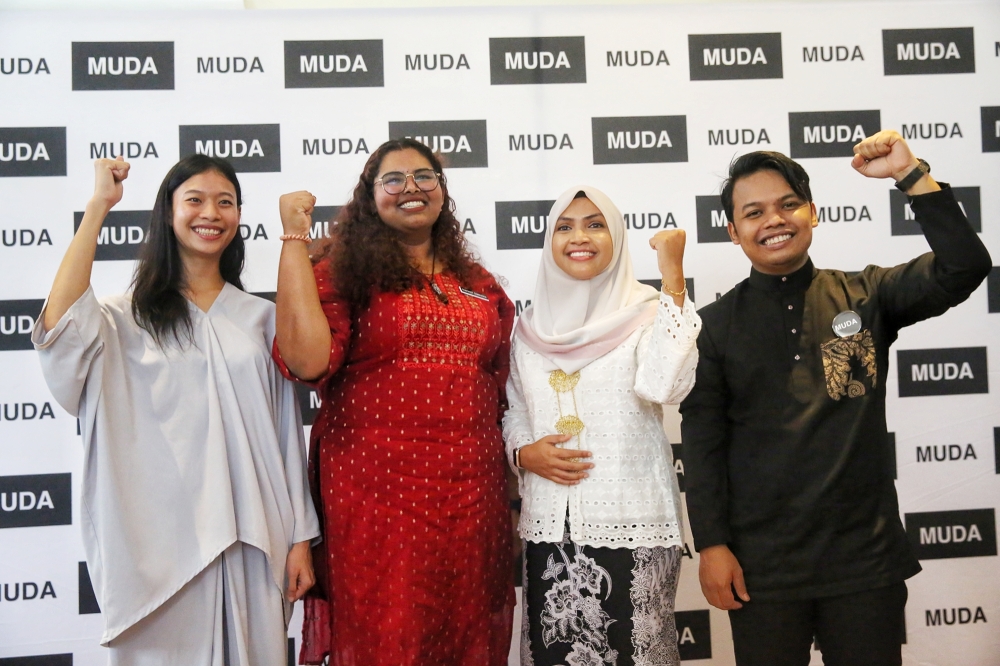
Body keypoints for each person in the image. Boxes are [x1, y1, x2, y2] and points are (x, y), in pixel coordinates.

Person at [680, 130, 992, 666]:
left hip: (864, 562)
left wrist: (910, 175)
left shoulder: (867, 296)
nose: (773, 220)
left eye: (788, 204)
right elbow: (702, 447)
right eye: (753, 213)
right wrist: (712, 545)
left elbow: (964, 266)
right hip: (763, 569)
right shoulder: (711, 327)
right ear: (733, 232)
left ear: (814, 212)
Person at [32, 155, 320, 664]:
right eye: (195, 199)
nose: (210, 213)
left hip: (255, 540)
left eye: (225, 202)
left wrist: (299, 536)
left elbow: (284, 434)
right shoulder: (122, 318)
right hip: (161, 551)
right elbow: (59, 330)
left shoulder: (262, 319)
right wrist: (98, 206)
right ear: (167, 213)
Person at [274, 138, 516, 666]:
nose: (411, 188)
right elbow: (305, 361)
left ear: (442, 192)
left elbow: (501, 387)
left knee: (468, 633)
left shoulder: (478, 283)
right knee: (389, 636)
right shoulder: (341, 271)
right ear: (369, 196)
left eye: (425, 177)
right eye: (393, 179)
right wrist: (294, 239)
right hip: (378, 504)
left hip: (473, 500)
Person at [504, 186, 700, 665]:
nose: (580, 237)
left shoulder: (649, 311)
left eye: (595, 224)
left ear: (616, 236)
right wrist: (523, 454)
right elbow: (516, 410)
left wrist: (673, 277)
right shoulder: (527, 327)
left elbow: (665, 388)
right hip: (549, 529)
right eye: (565, 227)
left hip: (633, 524)